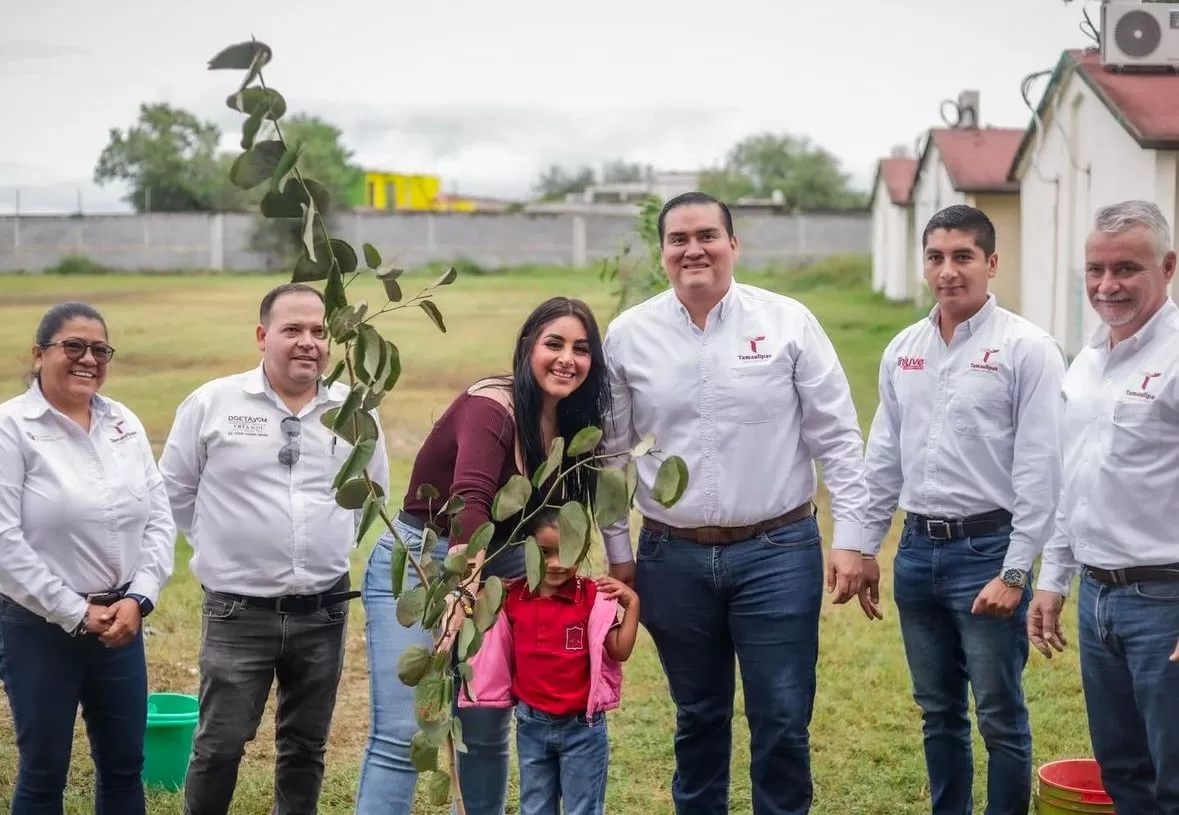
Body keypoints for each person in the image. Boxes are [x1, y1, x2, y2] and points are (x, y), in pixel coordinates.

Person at [600, 191, 870, 815]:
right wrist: (620, 552)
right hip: (672, 555)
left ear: (733, 245)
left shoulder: (788, 323)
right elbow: (610, 455)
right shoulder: (629, 335)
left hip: (778, 552)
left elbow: (836, 437)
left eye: (707, 236)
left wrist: (852, 539)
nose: (693, 249)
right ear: (663, 251)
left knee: (781, 720)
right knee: (697, 718)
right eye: (678, 239)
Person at [354, 295, 614, 815]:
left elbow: (558, 518)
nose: (567, 358)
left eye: (582, 349)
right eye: (554, 344)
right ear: (526, 348)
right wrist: (460, 597)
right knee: (410, 729)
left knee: (486, 720)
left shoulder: (572, 422)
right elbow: (469, 499)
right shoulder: (491, 405)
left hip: (506, 564)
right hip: (426, 559)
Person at [860, 204, 1066, 815]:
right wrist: (866, 544)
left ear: (991, 263)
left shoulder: (1028, 349)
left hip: (988, 551)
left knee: (999, 714)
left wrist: (1015, 569)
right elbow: (883, 457)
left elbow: (1041, 469)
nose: (948, 271)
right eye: (935, 257)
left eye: (962, 257)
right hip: (918, 552)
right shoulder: (904, 350)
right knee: (937, 712)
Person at [157, 282, 390, 815]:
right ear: (263, 336)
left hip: (324, 609)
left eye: (318, 331)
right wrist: (225, 547)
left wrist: (321, 550)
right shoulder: (214, 403)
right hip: (239, 610)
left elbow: (369, 495)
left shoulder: (354, 413)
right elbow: (173, 491)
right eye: (292, 330)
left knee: (306, 747)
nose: (307, 342)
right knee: (219, 746)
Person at [1028, 200, 1179, 812]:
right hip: (1098, 600)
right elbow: (1075, 481)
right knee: (1123, 772)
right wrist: (1054, 579)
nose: (1107, 285)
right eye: (1095, 270)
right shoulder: (1086, 363)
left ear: (1168, 267)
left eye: (1126, 269)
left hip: (1165, 605)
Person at [0, 301, 176, 814]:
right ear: (38, 355)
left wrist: (139, 598)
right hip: (38, 625)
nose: (88, 359)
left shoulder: (123, 421)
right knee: (44, 768)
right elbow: (4, 539)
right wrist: (75, 612)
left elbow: (160, 520)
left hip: (120, 623)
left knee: (125, 766)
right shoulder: (11, 426)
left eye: (100, 349)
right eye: (72, 346)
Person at [458, 507, 639, 815]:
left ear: (582, 550)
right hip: (532, 727)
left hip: (583, 729)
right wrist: (485, 591)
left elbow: (620, 650)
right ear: (528, 549)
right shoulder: (513, 596)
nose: (556, 564)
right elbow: (473, 615)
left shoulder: (592, 598)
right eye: (545, 552)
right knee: (535, 806)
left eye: (567, 552)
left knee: (582, 808)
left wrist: (632, 604)